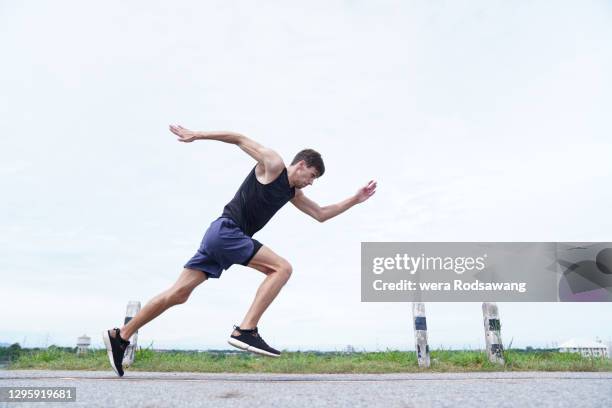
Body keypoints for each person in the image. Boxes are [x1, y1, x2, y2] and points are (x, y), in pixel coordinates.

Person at [103, 125, 377, 377]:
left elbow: (320, 214)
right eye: (312, 176)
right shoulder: (273, 164)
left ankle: (121, 335)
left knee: (179, 294)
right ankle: (246, 329)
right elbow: (239, 139)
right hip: (227, 232)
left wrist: (356, 199)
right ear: (302, 165)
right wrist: (196, 135)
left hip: (219, 236)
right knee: (282, 268)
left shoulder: (292, 194)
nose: (311, 182)